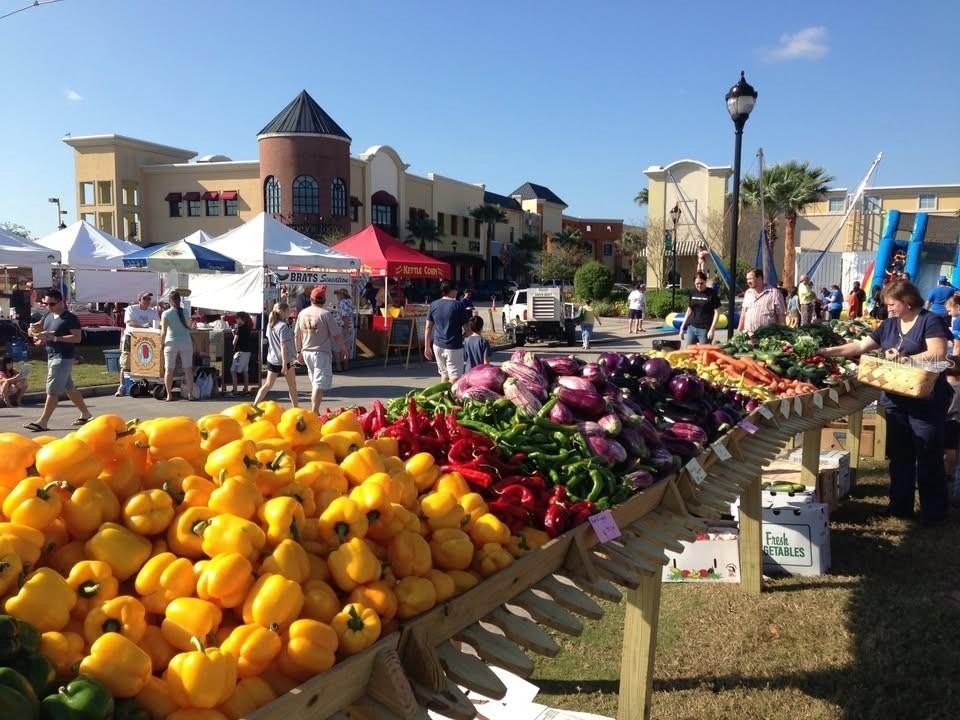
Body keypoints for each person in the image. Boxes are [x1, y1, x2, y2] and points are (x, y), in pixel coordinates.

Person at [821, 280, 950, 524]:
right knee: (900, 455)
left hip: (926, 400)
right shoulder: (889, 325)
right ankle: (900, 506)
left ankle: (934, 512)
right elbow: (860, 346)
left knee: (928, 453)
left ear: (907, 302)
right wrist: (827, 352)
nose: (888, 308)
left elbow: (938, 353)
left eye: (892, 304)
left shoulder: (929, 320)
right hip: (896, 398)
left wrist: (905, 358)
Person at [23, 289, 92, 431]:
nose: (49, 306)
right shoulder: (48, 315)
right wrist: (32, 331)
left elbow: (77, 338)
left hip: (63, 357)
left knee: (52, 390)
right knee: (69, 388)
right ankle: (86, 414)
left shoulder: (70, 318)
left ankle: (43, 422)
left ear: (61, 302)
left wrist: (54, 338)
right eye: (46, 304)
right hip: (52, 356)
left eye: (52, 304)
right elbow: (37, 327)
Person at [295, 286, 349, 414]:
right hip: (321, 353)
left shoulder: (302, 313)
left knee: (315, 382)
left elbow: (297, 334)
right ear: (324, 300)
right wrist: (343, 349)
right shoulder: (325, 314)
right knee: (318, 385)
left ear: (311, 299)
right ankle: (314, 411)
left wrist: (298, 351)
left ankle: (315, 411)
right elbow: (337, 335)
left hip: (307, 352)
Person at [253, 301, 299, 408]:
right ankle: (295, 408)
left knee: (268, 384)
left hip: (272, 358)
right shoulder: (283, 326)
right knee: (292, 386)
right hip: (286, 360)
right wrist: (284, 363)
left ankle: (254, 405)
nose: (289, 313)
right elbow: (284, 345)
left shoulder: (270, 325)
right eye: (288, 311)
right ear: (283, 312)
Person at [424, 281, 471, 383]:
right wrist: (471, 340)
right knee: (455, 377)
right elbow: (467, 328)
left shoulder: (433, 304)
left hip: (437, 345)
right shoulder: (458, 305)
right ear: (452, 290)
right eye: (456, 289)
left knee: (444, 374)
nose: (457, 292)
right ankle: (452, 392)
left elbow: (428, 327)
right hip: (453, 346)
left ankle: (443, 392)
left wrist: (426, 346)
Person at [116, 291, 159, 397]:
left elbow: (157, 324)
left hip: (147, 341)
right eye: (145, 298)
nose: (147, 301)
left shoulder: (153, 312)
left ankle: (144, 385)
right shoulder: (131, 309)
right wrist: (143, 325)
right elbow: (129, 322)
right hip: (131, 338)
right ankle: (122, 387)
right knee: (125, 364)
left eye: (149, 299)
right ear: (139, 300)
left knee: (145, 363)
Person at [159, 290, 195, 402]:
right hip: (186, 342)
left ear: (170, 301)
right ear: (179, 300)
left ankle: (169, 394)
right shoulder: (186, 312)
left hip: (171, 342)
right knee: (188, 370)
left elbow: (163, 332)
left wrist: (161, 344)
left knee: (169, 370)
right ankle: (190, 394)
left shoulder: (166, 314)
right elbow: (189, 326)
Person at [738, 267, 786, 335]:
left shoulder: (774, 293)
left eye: (750, 279)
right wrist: (739, 331)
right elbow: (743, 314)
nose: (748, 282)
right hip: (749, 336)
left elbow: (781, 316)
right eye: (747, 279)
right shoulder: (748, 293)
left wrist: (782, 334)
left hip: (767, 337)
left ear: (759, 278)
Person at [678, 272, 720, 347]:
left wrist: (712, 329)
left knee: (704, 352)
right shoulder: (692, 292)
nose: (699, 285)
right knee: (689, 350)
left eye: (701, 283)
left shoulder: (712, 293)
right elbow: (689, 310)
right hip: (692, 327)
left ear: (705, 281)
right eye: (697, 283)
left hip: (705, 329)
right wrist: (682, 327)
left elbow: (717, 312)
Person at [229, 312, 257, 396]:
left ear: (241, 319)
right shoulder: (248, 328)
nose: (236, 320)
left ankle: (235, 390)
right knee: (245, 371)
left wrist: (233, 334)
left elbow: (234, 341)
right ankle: (246, 389)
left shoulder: (239, 328)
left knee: (233, 370)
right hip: (247, 352)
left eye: (237, 318)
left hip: (239, 352)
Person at [335, 289, 356, 371]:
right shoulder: (349, 302)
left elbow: (345, 316)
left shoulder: (342, 303)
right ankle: (346, 365)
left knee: (337, 347)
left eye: (338, 294)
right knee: (347, 347)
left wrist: (345, 328)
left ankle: (339, 366)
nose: (337, 296)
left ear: (342, 295)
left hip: (343, 327)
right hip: (350, 327)